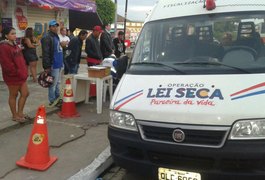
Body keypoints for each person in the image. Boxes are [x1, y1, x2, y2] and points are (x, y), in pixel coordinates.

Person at [0, 27, 30, 123]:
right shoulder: (3, 47)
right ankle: (15, 115)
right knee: (13, 95)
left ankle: (20, 113)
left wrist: (24, 70)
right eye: (12, 33)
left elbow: (20, 58)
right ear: (6, 36)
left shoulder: (15, 44)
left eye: (15, 33)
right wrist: (16, 72)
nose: (14, 35)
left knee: (25, 93)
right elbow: (7, 64)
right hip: (13, 76)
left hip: (21, 75)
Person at [41, 19, 63, 106]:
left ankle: (57, 98)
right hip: (53, 64)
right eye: (53, 26)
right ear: (49, 27)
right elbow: (45, 53)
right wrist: (47, 66)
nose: (55, 28)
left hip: (59, 63)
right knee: (52, 84)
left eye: (56, 26)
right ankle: (52, 100)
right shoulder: (47, 37)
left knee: (57, 83)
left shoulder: (55, 36)